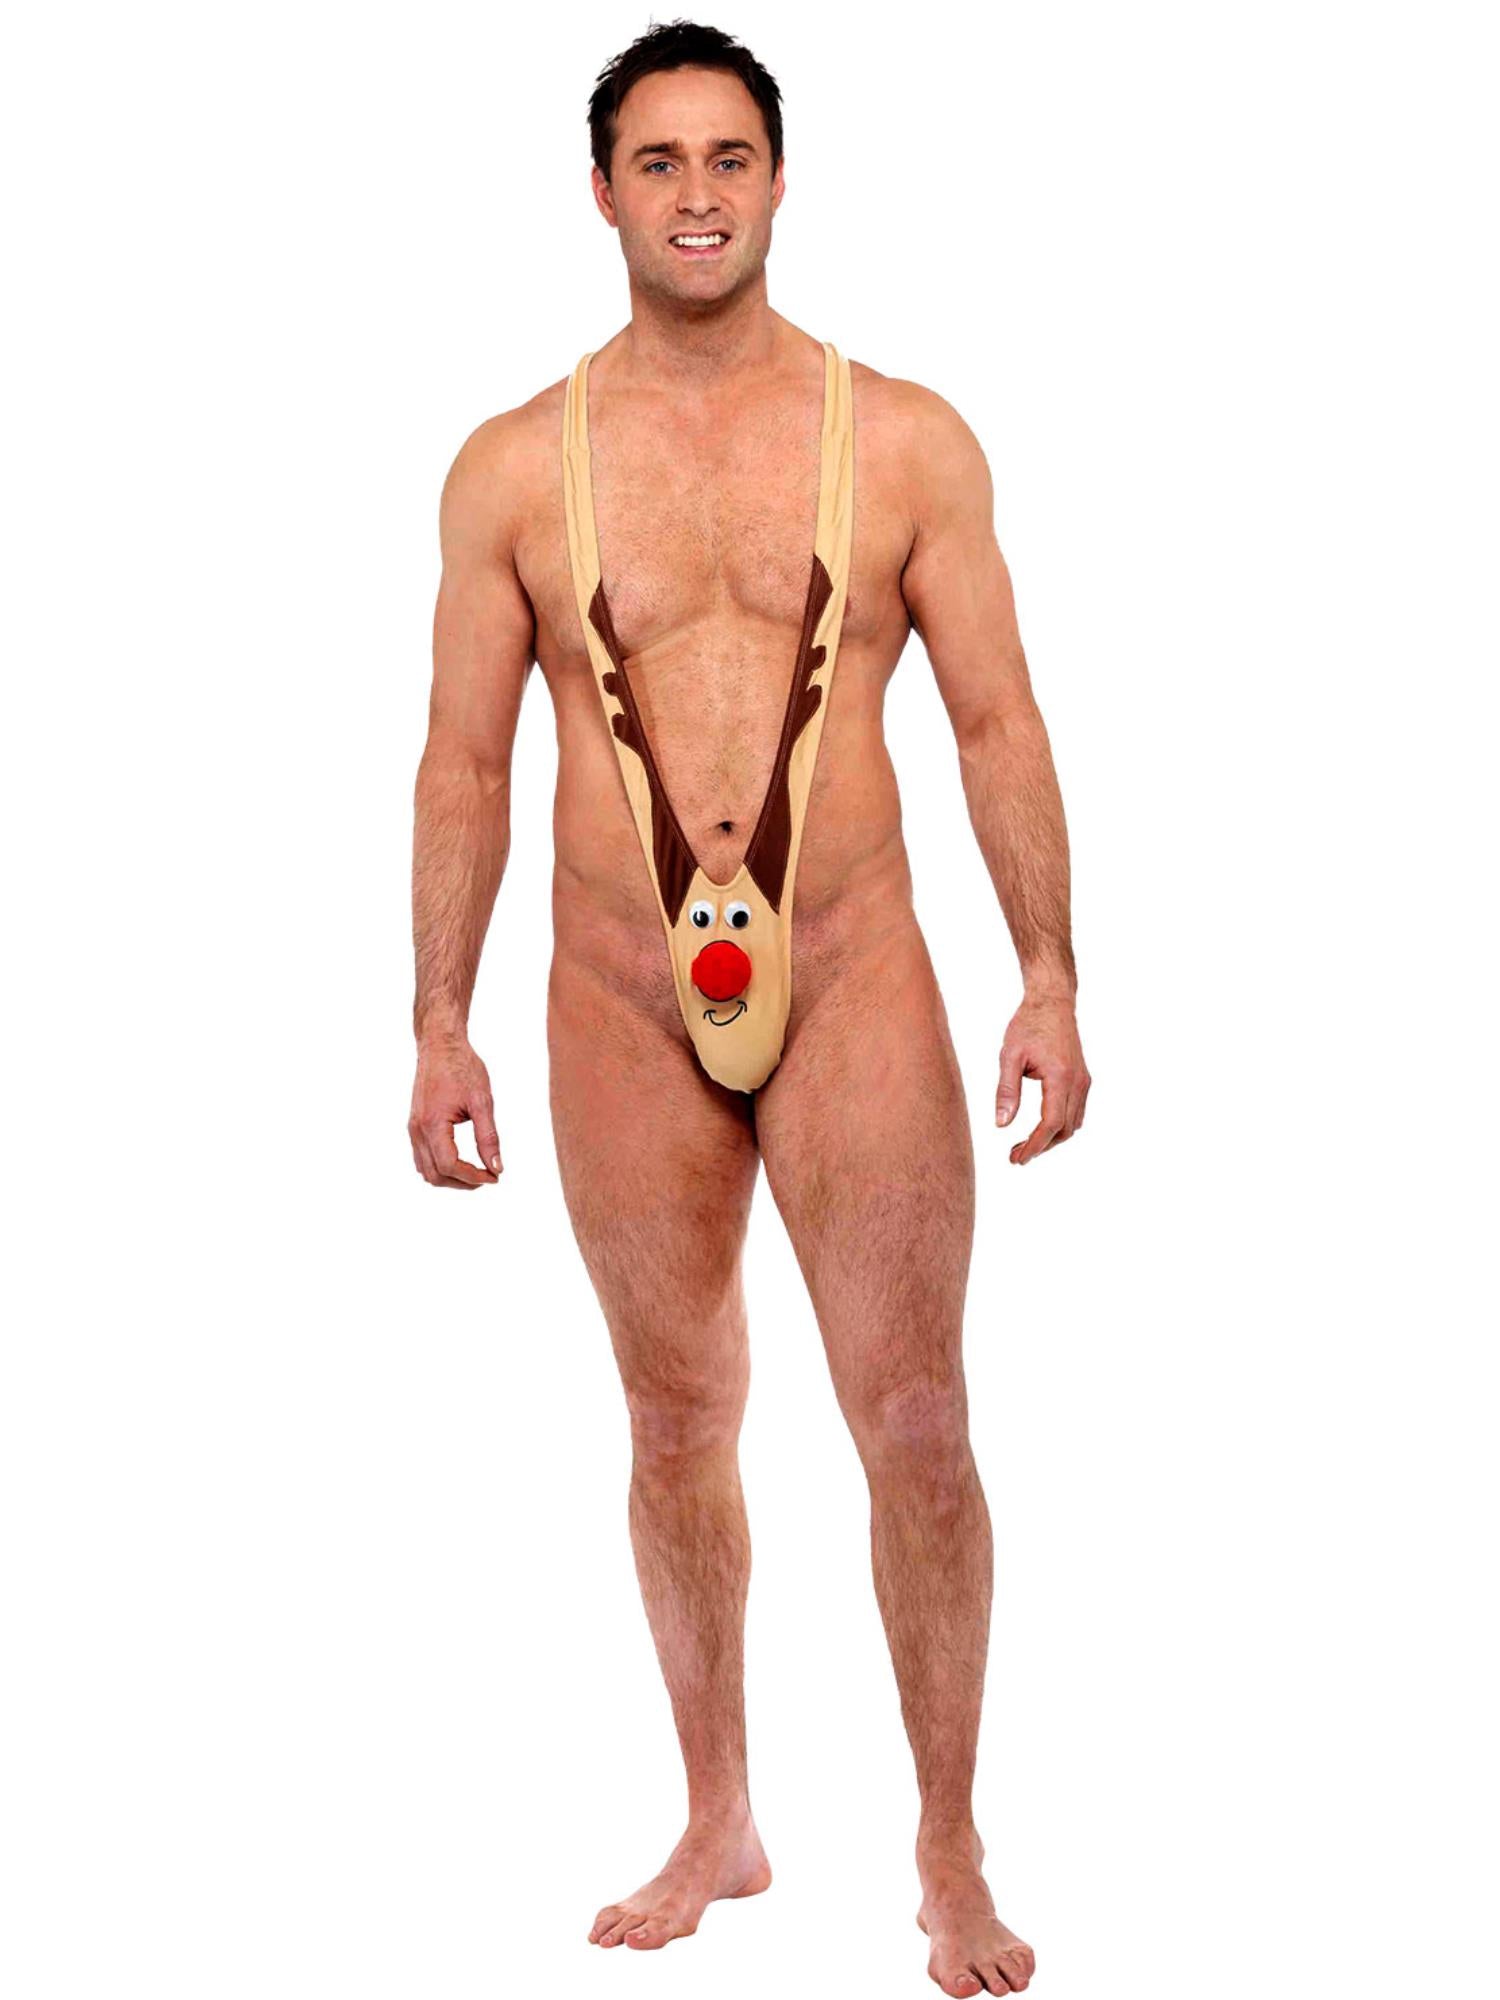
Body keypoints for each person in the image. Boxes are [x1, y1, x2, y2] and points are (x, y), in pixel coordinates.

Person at [408, 21, 1089, 1997]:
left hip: (854, 962)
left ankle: (948, 1848)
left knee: (919, 1416)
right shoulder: (512, 467)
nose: (696, 195)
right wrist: (437, 1017)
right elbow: (464, 760)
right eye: (659, 161)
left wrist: (1049, 972)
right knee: (674, 1412)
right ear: (601, 193)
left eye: (728, 158)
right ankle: (720, 1814)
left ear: (781, 182)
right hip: (617, 991)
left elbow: (995, 720)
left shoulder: (912, 441)